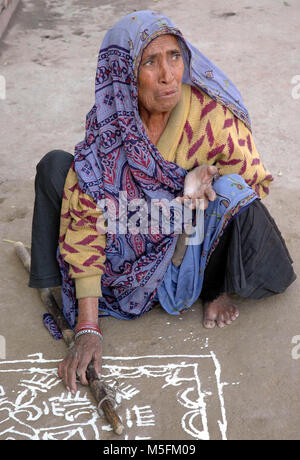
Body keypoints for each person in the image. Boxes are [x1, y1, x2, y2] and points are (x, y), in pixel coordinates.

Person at [28, 11, 296, 394]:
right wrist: (88, 326)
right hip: (122, 251)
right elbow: (87, 218)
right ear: (124, 75)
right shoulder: (110, 123)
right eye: (150, 62)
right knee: (59, 167)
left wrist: (204, 175)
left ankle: (212, 289)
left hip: (186, 251)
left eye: (174, 56)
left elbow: (253, 182)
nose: (168, 74)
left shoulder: (208, 114)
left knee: (234, 191)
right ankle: (54, 281)